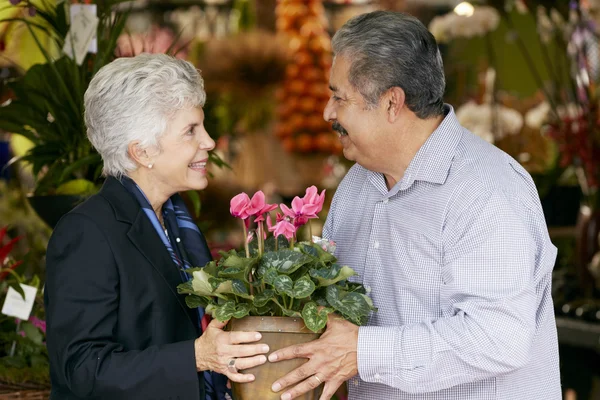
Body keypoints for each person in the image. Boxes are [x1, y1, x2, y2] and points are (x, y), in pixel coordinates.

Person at [267, 11, 561, 400]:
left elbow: (498, 336)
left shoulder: (487, 190)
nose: (328, 112)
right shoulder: (357, 184)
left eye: (340, 97)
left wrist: (364, 352)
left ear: (392, 102)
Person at [44, 54, 269, 400]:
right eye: (191, 130)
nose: (209, 142)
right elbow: (82, 368)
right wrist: (196, 357)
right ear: (141, 151)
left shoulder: (177, 220)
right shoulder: (87, 232)